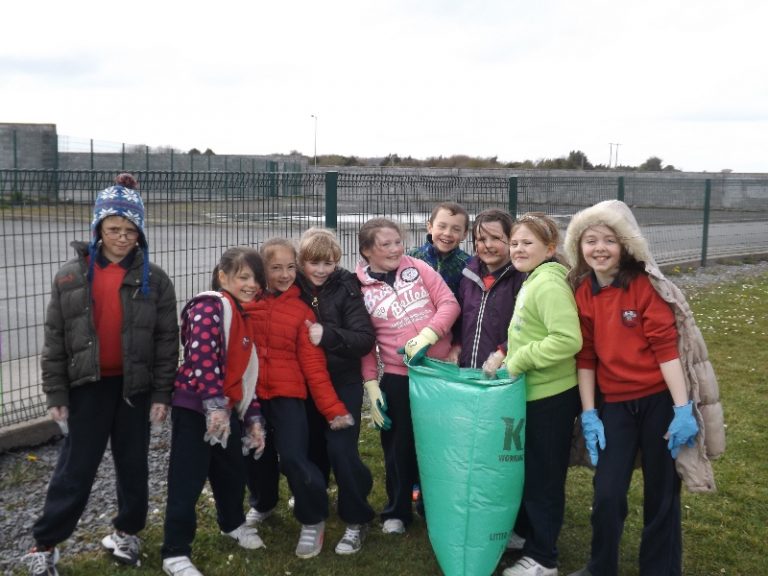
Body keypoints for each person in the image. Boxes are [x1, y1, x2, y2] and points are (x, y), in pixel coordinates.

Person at [22, 173, 179, 576]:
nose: (122, 237)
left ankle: (127, 532)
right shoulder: (70, 277)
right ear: (98, 228)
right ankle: (46, 543)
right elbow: (55, 338)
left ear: (140, 231)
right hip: (86, 389)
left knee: (133, 465)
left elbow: (166, 341)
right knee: (76, 468)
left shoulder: (156, 280)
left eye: (130, 230)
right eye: (113, 229)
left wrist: (162, 394)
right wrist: (56, 394)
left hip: (135, 389)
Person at [563, 200, 724, 576]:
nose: (599, 248)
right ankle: (600, 567)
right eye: (590, 240)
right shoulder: (583, 292)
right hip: (614, 405)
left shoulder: (643, 286)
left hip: (659, 403)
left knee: (662, 494)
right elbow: (585, 356)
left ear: (626, 245)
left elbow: (666, 350)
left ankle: (661, 568)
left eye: (609, 240)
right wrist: (589, 413)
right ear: (579, 247)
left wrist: (682, 409)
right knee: (607, 493)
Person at [161, 247, 267, 576]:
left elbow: (247, 377)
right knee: (187, 479)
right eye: (243, 277)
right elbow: (202, 357)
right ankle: (175, 551)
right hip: (197, 408)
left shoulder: (244, 315)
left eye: (255, 279)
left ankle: (232, 523)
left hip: (226, 411)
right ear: (223, 276)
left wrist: (252, 420)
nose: (251, 285)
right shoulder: (209, 306)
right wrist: (214, 406)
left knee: (231, 472)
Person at [246, 237, 354, 559]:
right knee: (256, 456)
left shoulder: (302, 311)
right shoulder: (247, 305)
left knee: (293, 457)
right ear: (262, 269)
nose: (284, 274)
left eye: (290, 267)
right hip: (252, 398)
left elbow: (314, 367)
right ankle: (263, 504)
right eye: (275, 267)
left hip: (288, 397)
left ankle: (312, 517)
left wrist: (333, 409)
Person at [355, 217, 460, 535]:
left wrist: (429, 335)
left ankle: (434, 504)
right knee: (398, 447)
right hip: (399, 376)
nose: (395, 249)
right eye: (385, 244)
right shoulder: (358, 288)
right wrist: (372, 386)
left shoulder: (418, 267)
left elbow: (449, 304)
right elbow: (364, 342)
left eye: (397, 241)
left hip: (439, 371)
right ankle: (396, 511)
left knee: (440, 444)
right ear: (366, 251)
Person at [500, 212, 583, 576]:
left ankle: (544, 558)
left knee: (545, 478)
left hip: (552, 397)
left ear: (550, 248)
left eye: (527, 243)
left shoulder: (548, 284)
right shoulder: (533, 279)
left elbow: (567, 339)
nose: (518, 249)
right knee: (531, 472)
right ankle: (527, 534)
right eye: (514, 243)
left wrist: (519, 359)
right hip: (533, 393)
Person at [294, 227, 377, 554]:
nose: (321, 270)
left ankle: (357, 517)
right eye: (314, 262)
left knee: (342, 450)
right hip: (306, 383)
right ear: (302, 261)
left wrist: (327, 334)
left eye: (328, 262)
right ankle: (314, 511)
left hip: (343, 380)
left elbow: (364, 339)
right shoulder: (292, 285)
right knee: (312, 451)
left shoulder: (346, 286)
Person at [454, 208, 525, 371]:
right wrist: (457, 345)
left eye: (495, 238)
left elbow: (527, 326)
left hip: (503, 373)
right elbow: (459, 320)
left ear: (511, 240)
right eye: (481, 239)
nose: (488, 245)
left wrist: (505, 351)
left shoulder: (521, 278)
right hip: (468, 371)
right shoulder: (467, 277)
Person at [407, 201, 471, 297]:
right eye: (442, 226)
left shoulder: (468, 264)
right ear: (430, 227)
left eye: (456, 229)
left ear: (464, 235)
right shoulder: (412, 258)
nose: (447, 233)